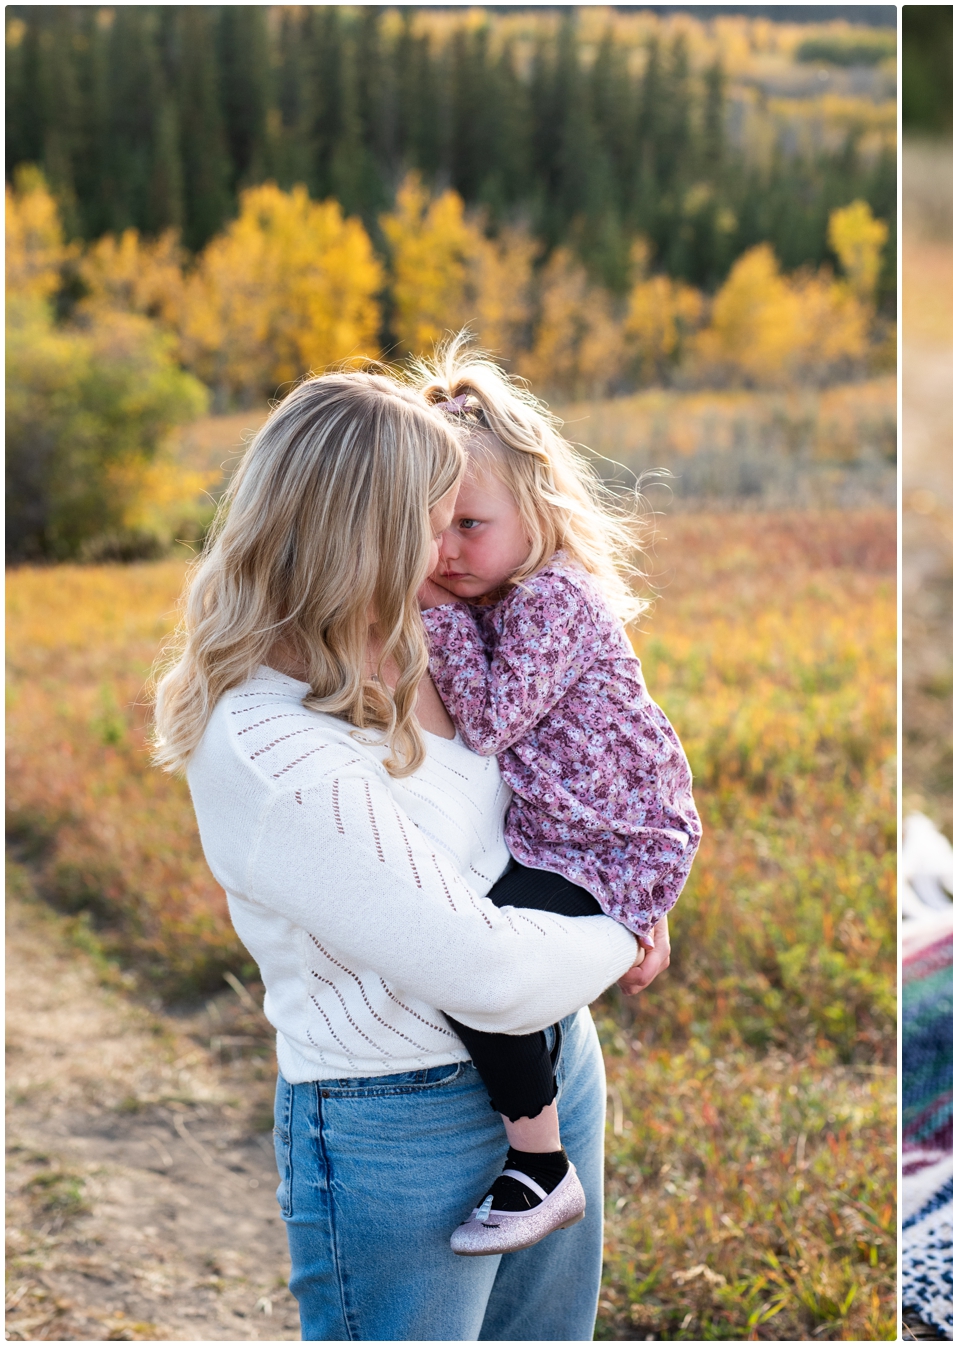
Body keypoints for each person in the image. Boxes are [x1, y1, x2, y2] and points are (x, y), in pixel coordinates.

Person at [153, 365, 661, 1339]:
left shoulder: (437, 635)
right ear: (364, 533)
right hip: (400, 1119)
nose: (450, 547)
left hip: (557, 1062)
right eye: (435, 521)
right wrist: (623, 915)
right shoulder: (270, 745)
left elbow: (563, 782)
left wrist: (619, 860)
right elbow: (490, 973)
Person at [410, 344, 701, 1256]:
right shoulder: (512, 591)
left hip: (609, 837)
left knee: (480, 964)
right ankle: (537, 1149)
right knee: (495, 956)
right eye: (428, 532)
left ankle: (541, 1164)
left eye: (469, 525)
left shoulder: (551, 602)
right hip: (576, 834)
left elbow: (491, 723)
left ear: (534, 511)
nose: (449, 553)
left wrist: (428, 608)